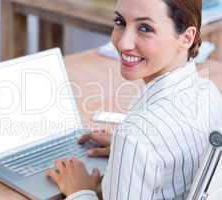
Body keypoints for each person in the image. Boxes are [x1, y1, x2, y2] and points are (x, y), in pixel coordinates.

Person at [46, 0, 222, 199]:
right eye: (120, 22)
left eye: (145, 28)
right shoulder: (209, 93)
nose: (122, 43)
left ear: (186, 38)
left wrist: (79, 190)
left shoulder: (135, 137)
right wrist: (131, 157)